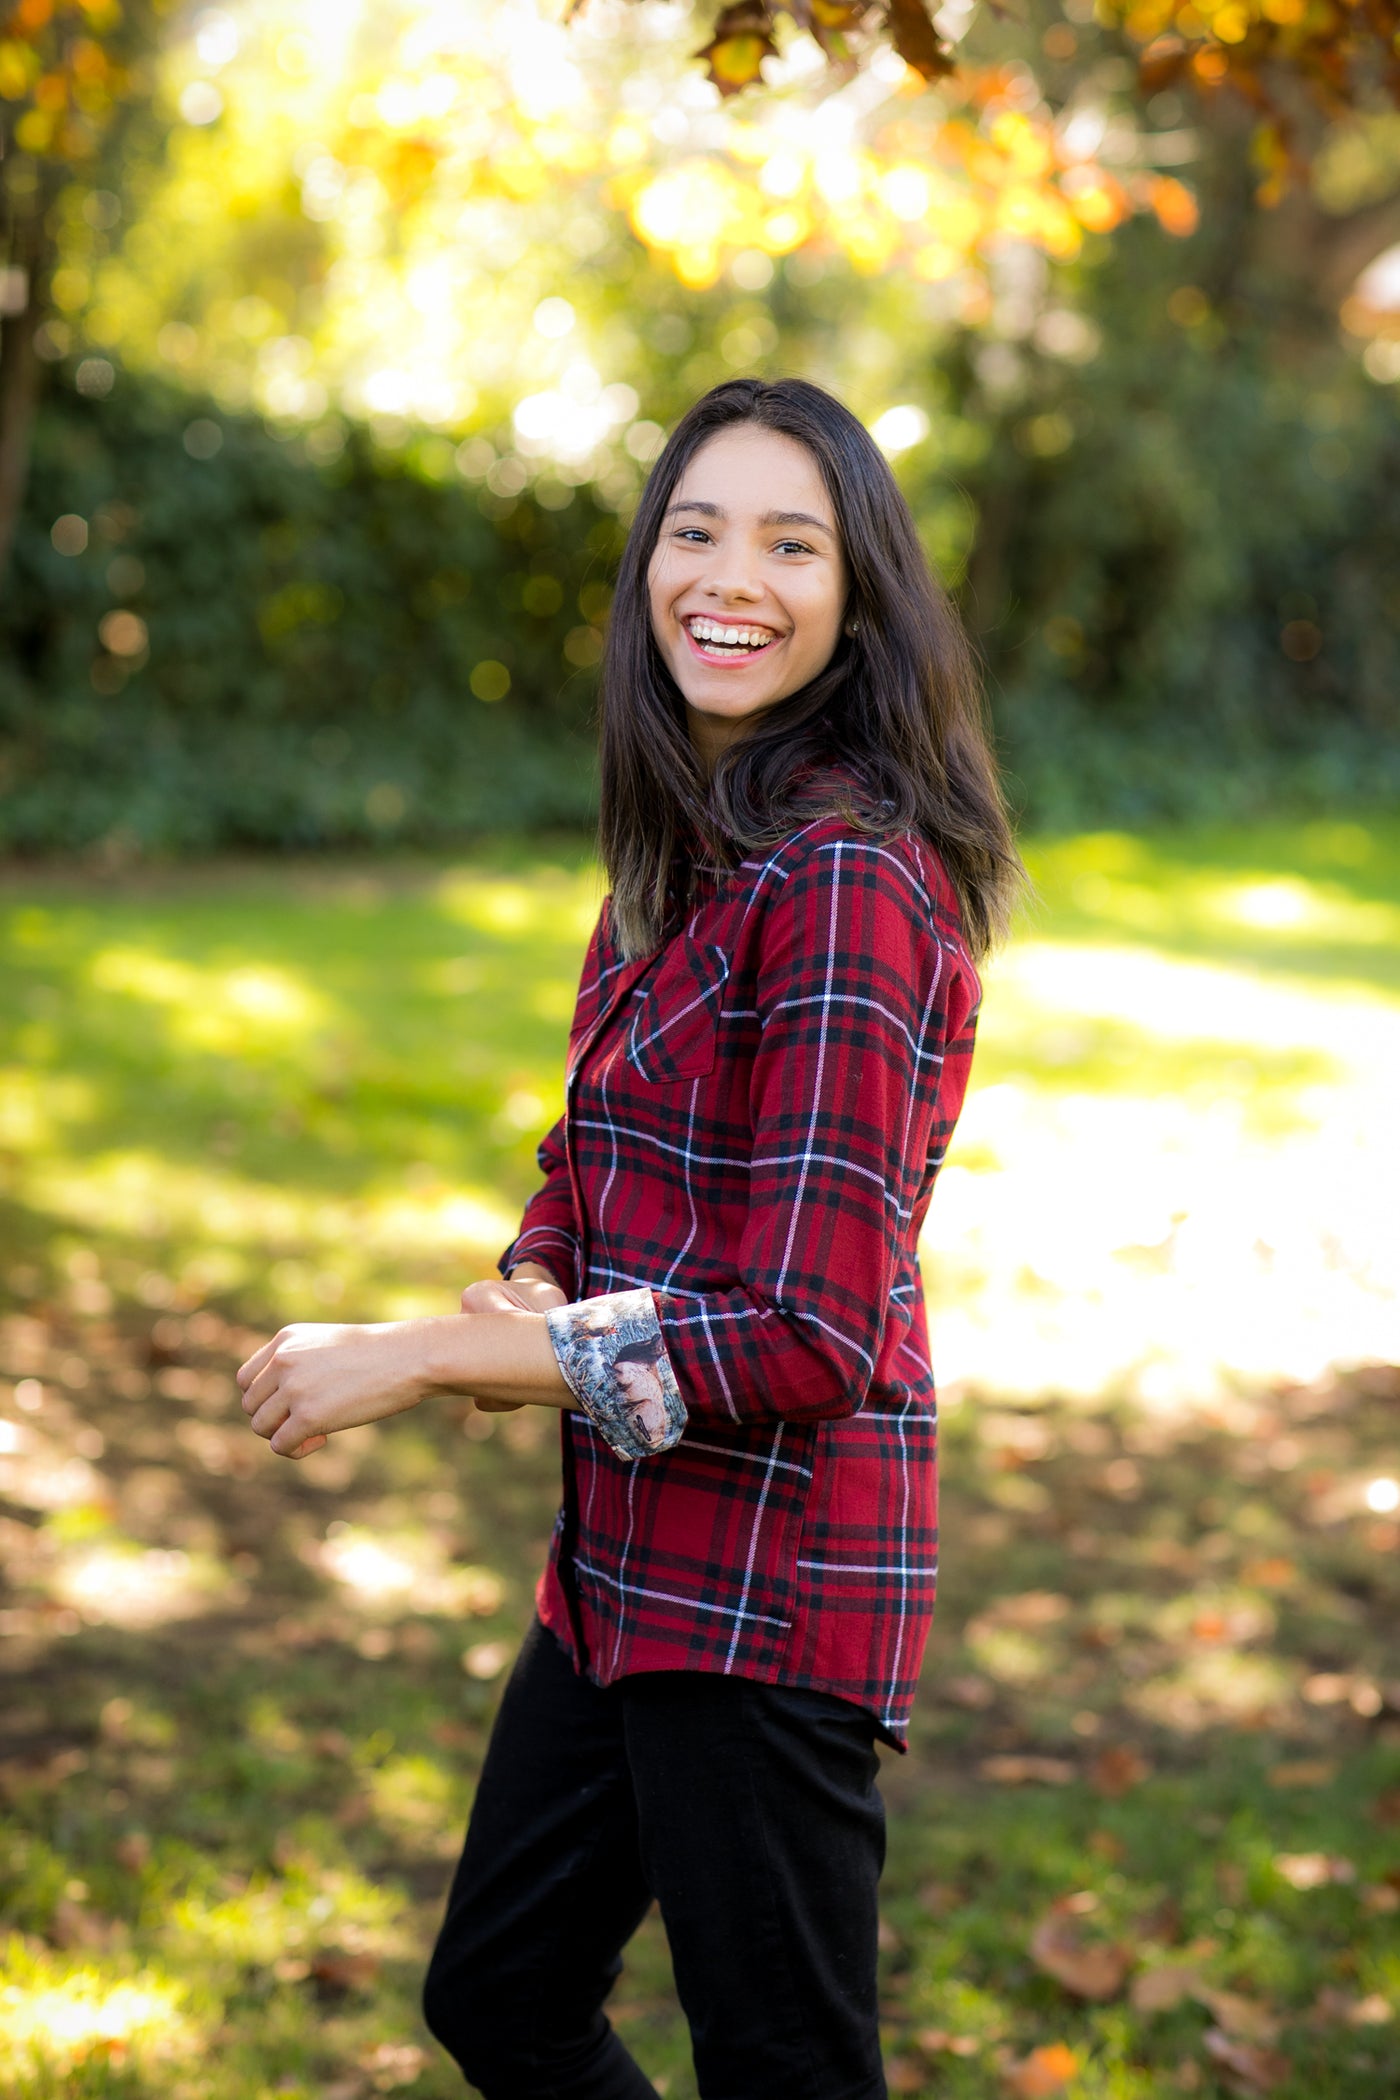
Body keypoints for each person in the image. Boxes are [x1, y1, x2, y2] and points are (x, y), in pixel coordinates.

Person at [237, 376, 1022, 2099]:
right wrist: (530, 1274)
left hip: (772, 1587)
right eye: (695, 529)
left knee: (785, 2069)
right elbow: (593, 1153)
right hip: (621, 1572)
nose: (728, 575)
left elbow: (811, 1329)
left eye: (789, 542)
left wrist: (443, 1352)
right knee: (505, 1992)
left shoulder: (846, 883)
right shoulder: (687, 857)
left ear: (859, 596)